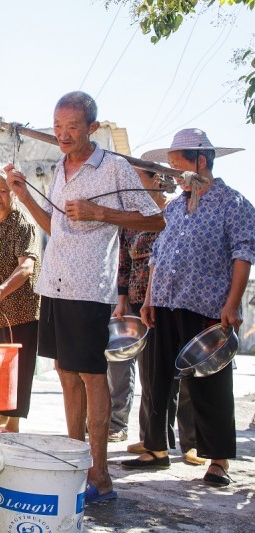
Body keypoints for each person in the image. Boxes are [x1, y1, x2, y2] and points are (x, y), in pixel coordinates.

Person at [5, 91, 164, 504]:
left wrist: (102, 214)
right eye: (57, 127)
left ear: (92, 127)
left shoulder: (113, 167)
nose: (63, 134)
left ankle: (102, 476)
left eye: (72, 127)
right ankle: (76, 465)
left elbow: (157, 218)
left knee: (92, 376)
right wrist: (24, 196)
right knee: (64, 371)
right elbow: (57, 229)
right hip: (54, 285)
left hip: (88, 288)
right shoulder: (59, 167)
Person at [121, 129, 253, 488]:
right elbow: (158, 256)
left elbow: (243, 254)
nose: (174, 174)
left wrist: (233, 304)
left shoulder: (233, 203)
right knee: (156, 378)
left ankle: (218, 460)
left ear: (201, 161)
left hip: (206, 304)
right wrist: (148, 298)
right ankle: (155, 448)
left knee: (209, 383)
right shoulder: (177, 206)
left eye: (178, 165)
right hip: (164, 301)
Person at [107, 167, 201, 463]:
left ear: (158, 182)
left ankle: (192, 442)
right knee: (151, 376)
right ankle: (152, 437)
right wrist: (122, 301)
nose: (133, 185)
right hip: (140, 303)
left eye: (140, 179)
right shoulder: (132, 220)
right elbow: (123, 262)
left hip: (174, 301)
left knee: (184, 373)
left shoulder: (175, 213)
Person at [0, 165, 41, 434]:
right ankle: (1, 416)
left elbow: (26, 267)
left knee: (17, 369)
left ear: (13, 192)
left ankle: (12, 423)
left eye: (3, 190)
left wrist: (1, 291)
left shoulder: (22, 224)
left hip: (20, 309)